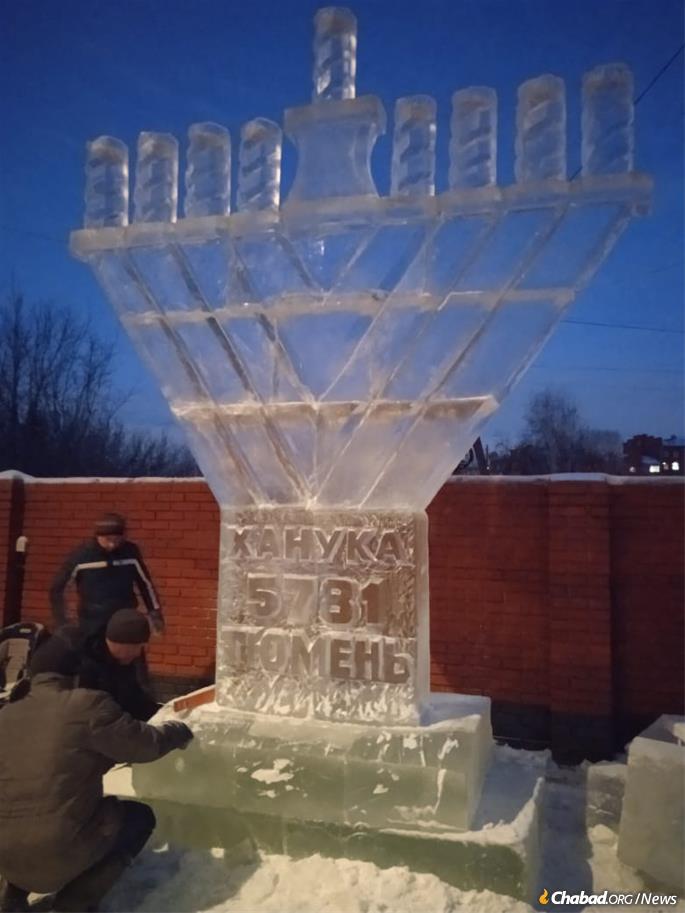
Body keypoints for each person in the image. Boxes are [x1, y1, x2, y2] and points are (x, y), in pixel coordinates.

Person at [0, 636, 193, 913]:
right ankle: (74, 904)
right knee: (138, 818)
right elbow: (144, 745)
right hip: (57, 850)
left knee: (25, 815)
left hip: (5, 855)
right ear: (75, 674)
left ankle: (11, 897)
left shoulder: (6, 715)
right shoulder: (87, 705)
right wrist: (177, 731)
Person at [32, 608, 163, 721]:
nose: (138, 653)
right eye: (139, 647)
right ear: (127, 644)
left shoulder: (120, 661)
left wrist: (163, 714)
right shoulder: (83, 664)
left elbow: (133, 699)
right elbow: (98, 716)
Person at [49, 512, 165, 637]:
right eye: (108, 540)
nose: (112, 544)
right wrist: (61, 620)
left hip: (124, 618)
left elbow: (145, 584)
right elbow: (57, 588)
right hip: (92, 621)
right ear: (98, 536)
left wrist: (154, 612)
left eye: (117, 540)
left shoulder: (130, 552)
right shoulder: (82, 556)